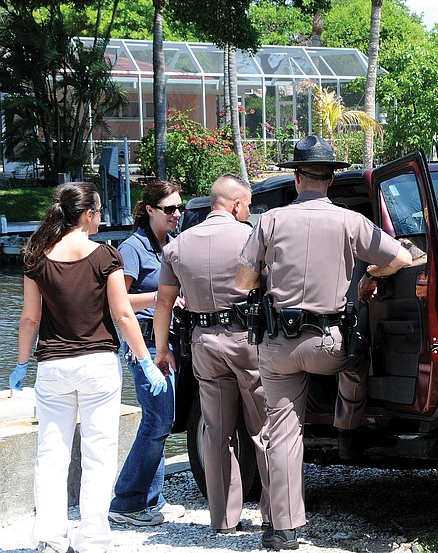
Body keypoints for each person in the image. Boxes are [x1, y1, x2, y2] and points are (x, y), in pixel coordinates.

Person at [235, 135, 412, 550]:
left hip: (278, 345)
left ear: (297, 178)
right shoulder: (352, 222)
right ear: (330, 180)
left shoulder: (270, 221)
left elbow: (243, 281)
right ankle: (347, 431)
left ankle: (284, 530)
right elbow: (401, 259)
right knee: (357, 358)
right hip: (330, 343)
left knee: (282, 433)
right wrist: (370, 278)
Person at [10, 182, 164, 553]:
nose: (100, 217)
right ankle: (92, 537)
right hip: (97, 365)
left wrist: (19, 364)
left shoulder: (37, 256)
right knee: (99, 452)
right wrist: (146, 361)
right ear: (88, 215)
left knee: (51, 452)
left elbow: (29, 319)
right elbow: (123, 313)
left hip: (52, 367)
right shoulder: (105, 256)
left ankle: (49, 536)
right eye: (97, 211)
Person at [153, 175, 270, 535]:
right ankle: (275, 515)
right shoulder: (250, 236)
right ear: (236, 204)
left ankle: (222, 520)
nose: (247, 211)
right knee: (265, 429)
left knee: (217, 433)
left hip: (203, 341)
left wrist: (161, 350)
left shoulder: (179, 245)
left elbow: (163, 302)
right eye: (247, 205)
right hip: (247, 339)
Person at [108, 181, 186, 526]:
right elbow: (116, 303)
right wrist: (160, 298)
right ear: (150, 209)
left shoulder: (170, 244)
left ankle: (150, 499)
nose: (177, 214)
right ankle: (127, 501)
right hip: (145, 345)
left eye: (179, 208)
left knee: (160, 423)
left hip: (169, 342)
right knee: (157, 421)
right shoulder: (133, 247)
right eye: (170, 209)